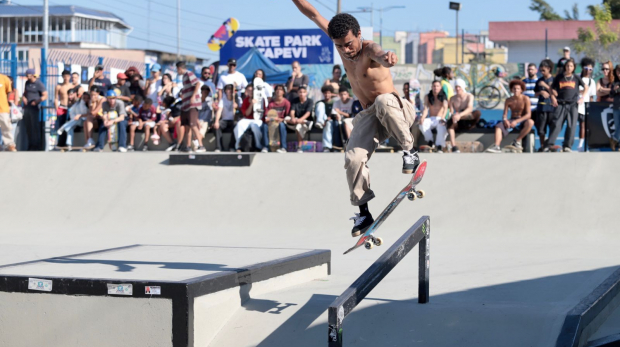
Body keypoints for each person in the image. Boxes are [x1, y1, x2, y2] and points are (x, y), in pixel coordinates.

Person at [294, 1, 419, 237]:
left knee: (382, 100)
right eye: (339, 46)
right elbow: (313, 14)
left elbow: (380, 55)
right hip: (371, 116)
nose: (346, 50)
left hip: (398, 110)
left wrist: (387, 58)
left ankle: (409, 150)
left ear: (359, 35)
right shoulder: (340, 43)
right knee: (352, 158)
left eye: (349, 44)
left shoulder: (369, 49)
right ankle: (364, 212)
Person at [543, 59, 587, 152]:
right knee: (556, 124)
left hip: (573, 104)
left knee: (571, 125)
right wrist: (553, 97)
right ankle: (550, 144)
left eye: (571, 66)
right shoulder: (559, 77)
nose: (569, 67)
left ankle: (567, 146)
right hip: (560, 104)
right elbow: (551, 88)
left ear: (574, 67)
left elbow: (586, 87)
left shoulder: (576, 77)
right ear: (565, 67)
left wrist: (582, 97)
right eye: (567, 66)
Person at [485, 80, 534, 153]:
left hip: (522, 120)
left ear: (521, 90)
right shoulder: (508, 100)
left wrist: (517, 121)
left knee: (530, 122)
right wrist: (505, 120)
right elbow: (505, 114)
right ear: (511, 90)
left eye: (518, 89)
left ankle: (516, 142)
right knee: (498, 126)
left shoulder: (526, 99)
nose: (516, 90)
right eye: (514, 88)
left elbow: (528, 115)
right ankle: (496, 146)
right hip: (512, 120)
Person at [177, 61, 206, 153]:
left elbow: (198, 83)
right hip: (186, 105)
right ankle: (188, 146)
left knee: (193, 125)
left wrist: (193, 96)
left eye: (177, 70)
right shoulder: (184, 77)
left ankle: (201, 146)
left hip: (192, 105)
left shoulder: (189, 73)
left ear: (180, 68)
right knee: (187, 126)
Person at [447, 79, 481, 153]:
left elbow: (470, 108)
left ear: (462, 87)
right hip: (458, 121)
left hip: (467, 119)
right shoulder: (452, 98)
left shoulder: (469, 96)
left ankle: (472, 126)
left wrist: (460, 115)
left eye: (459, 87)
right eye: (456, 87)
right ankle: (454, 146)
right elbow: (451, 112)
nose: (457, 89)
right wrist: (454, 119)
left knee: (477, 113)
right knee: (449, 123)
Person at [22, 68, 48, 151]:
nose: (27, 77)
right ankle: (30, 145)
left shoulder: (38, 83)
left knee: (34, 127)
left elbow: (45, 95)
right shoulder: (27, 83)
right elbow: (25, 93)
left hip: (34, 108)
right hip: (27, 107)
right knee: (28, 127)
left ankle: (37, 145)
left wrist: (37, 101)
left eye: (28, 75)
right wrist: (24, 98)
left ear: (32, 75)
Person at [419, 80, 448, 152]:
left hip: (440, 118)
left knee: (442, 126)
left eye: (437, 86)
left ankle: (439, 145)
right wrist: (422, 118)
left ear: (440, 87)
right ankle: (430, 141)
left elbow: (445, 108)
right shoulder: (428, 96)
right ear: (431, 87)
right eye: (434, 86)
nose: (435, 88)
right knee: (422, 124)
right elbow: (426, 108)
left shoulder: (443, 96)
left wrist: (443, 118)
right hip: (431, 118)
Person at [260, 84, 290, 153]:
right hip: (271, 122)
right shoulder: (271, 103)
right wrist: (269, 119)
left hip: (281, 122)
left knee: (282, 126)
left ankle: (283, 147)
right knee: (264, 126)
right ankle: (266, 147)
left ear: (283, 92)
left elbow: (288, 116)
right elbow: (266, 115)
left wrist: (281, 120)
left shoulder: (286, 103)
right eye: (277, 89)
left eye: (280, 89)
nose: (278, 91)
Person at [533, 59, 556, 149]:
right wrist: (541, 92)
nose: (542, 72)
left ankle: (550, 145)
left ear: (549, 69)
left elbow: (556, 93)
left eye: (544, 70)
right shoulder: (539, 80)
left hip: (552, 108)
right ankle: (542, 146)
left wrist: (546, 86)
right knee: (541, 129)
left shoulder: (554, 80)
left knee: (552, 128)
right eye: (541, 70)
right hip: (541, 108)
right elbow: (535, 94)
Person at [236, 84, 265, 152]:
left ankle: (258, 146)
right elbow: (246, 114)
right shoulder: (245, 100)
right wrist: (251, 104)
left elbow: (261, 113)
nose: (251, 92)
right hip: (247, 119)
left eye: (252, 90)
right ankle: (238, 146)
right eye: (249, 90)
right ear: (246, 91)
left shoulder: (261, 99)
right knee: (239, 124)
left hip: (257, 120)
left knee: (254, 126)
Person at [285, 85, 314, 152]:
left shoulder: (310, 101)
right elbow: (292, 111)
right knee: (286, 119)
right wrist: (292, 118)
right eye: (300, 92)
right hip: (296, 120)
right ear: (298, 93)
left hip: (305, 120)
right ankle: (304, 123)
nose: (302, 94)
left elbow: (308, 113)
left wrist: (300, 120)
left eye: (303, 92)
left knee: (298, 126)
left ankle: (299, 147)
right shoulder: (295, 100)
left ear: (306, 93)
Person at [314, 84, 342, 151]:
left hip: (331, 120)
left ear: (331, 93)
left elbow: (335, 112)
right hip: (322, 120)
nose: (327, 95)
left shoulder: (334, 102)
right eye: (325, 93)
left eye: (329, 93)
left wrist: (327, 119)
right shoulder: (319, 102)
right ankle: (320, 122)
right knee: (320, 104)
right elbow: (316, 114)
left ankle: (327, 146)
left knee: (328, 123)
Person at [577, 58, 597, 152]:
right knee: (573, 125)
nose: (588, 70)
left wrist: (592, 108)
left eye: (590, 69)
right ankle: (569, 144)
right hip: (575, 105)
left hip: (584, 107)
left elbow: (592, 96)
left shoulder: (591, 81)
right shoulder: (577, 78)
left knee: (583, 125)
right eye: (586, 68)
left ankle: (582, 145)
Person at [212, 84, 239, 152]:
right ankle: (218, 147)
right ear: (225, 91)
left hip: (233, 120)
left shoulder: (237, 99)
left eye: (231, 89)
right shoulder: (222, 100)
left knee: (236, 125)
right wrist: (216, 121)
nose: (230, 91)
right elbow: (219, 111)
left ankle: (232, 146)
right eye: (228, 89)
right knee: (217, 126)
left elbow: (241, 110)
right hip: (225, 120)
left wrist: (237, 107)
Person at [54, 70, 74, 149]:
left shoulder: (72, 86)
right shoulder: (59, 86)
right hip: (62, 107)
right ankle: (60, 143)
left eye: (68, 76)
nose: (66, 78)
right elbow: (56, 98)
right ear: (62, 77)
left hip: (70, 107)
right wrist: (57, 108)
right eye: (64, 76)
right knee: (60, 125)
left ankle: (67, 143)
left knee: (68, 125)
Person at [84, 85, 105, 150]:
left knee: (89, 118)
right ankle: (89, 141)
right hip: (95, 118)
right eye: (91, 95)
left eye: (94, 95)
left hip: (102, 118)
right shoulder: (91, 100)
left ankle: (90, 141)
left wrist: (94, 102)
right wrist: (92, 103)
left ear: (98, 93)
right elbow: (91, 113)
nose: (93, 96)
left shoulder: (102, 99)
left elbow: (95, 112)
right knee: (86, 122)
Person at [0, 72, 16, 151]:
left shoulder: (4, 79)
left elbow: (9, 91)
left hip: (2, 108)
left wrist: (5, 101)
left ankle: (10, 145)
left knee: (6, 126)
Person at [608, 65, 620, 151]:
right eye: (618, 71)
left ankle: (614, 139)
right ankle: (616, 141)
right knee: (617, 127)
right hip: (616, 107)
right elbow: (611, 95)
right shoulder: (614, 82)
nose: (619, 73)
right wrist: (614, 90)